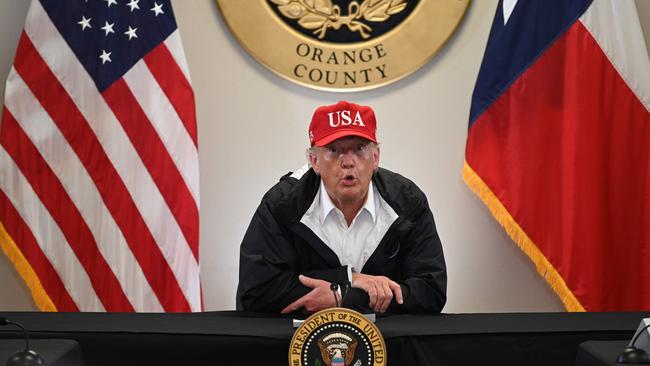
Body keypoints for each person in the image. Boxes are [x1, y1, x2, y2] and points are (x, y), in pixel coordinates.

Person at [236, 101, 446, 314]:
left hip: (388, 343)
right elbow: (257, 291)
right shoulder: (283, 205)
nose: (348, 162)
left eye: (359, 148)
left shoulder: (407, 202)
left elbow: (431, 291)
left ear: (375, 158)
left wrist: (345, 297)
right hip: (297, 342)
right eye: (334, 150)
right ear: (314, 161)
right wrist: (347, 279)